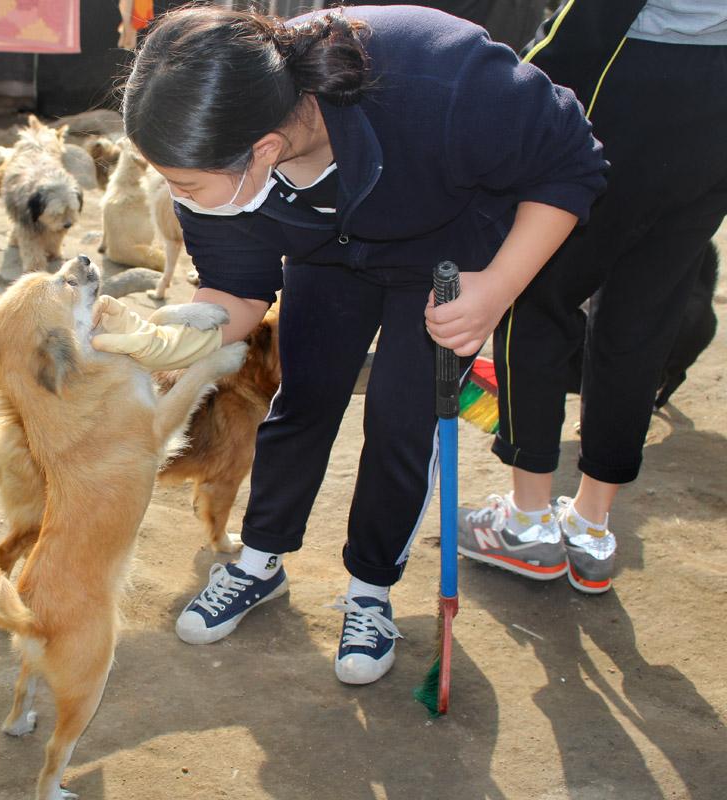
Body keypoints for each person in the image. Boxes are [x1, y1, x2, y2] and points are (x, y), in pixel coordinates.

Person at [90, 3, 607, 685]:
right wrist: (163, 341)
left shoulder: (437, 77)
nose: (176, 196)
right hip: (325, 255)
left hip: (443, 251)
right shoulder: (214, 167)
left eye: (183, 184)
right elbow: (239, 292)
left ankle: (371, 589)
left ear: (265, 152)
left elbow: (570, 160)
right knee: (302, 397)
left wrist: (499, 287)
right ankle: (259, 561)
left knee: (400, 420)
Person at [458, 0, 727, 595]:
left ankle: (528, 522)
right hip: (716, 117)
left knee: (534, 295)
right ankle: (590, 527)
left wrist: (507, 93)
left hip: (628, 83)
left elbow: (581, 26)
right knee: (643, 320)